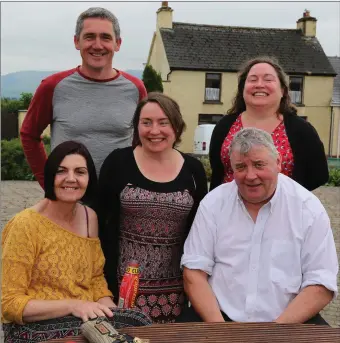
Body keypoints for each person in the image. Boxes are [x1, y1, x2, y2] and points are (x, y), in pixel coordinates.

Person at [181, 128, 338, 325]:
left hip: (289, 322)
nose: (250, 175)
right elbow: (194, 272)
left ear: (278, 163)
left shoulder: (308, 208)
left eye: (259, 164)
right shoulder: (213, 203)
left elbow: (321, 284)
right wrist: (221, 332)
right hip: (218, 318)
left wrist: (272, 334)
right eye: (240, 167)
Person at [1, 141, 151, 343]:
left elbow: (96, 279)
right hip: (33, 329)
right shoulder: (25, 225)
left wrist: (110, 310)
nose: (70, 179)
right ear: (50, 176)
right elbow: (10, 304)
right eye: (61, 171)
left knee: (137, 322)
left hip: (82, 321)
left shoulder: (90, 218)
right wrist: (74, 305)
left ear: (89, 179)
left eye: (80, 172)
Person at [96, 92, 208, 323]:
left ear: (176, 126)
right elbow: (99, 222)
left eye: (163, 122)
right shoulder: (118, 162)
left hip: (176, 291)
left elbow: (201, 231)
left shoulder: (193, 170)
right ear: (137, 127)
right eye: (146, 123)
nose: (154, 130)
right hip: (122, 287)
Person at [20, 7, 147, 189]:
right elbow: (29, 134)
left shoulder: (136, 89)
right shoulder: (52, 86)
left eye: (105, 37)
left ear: (117, 44)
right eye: (89, 37)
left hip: (119, 201)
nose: (97, 45)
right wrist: (49, 182)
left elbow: (142, 140)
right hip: (68, 199)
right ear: (76, 41)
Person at [209, 56, 329, 191]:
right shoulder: (224, 126)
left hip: (284, 209)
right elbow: (217, 171)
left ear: (282, 90)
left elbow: (319, 175)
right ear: (242, 89)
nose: (259, 84)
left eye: (268, 79)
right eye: (253, 79)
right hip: (230, 208)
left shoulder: (301, 130)